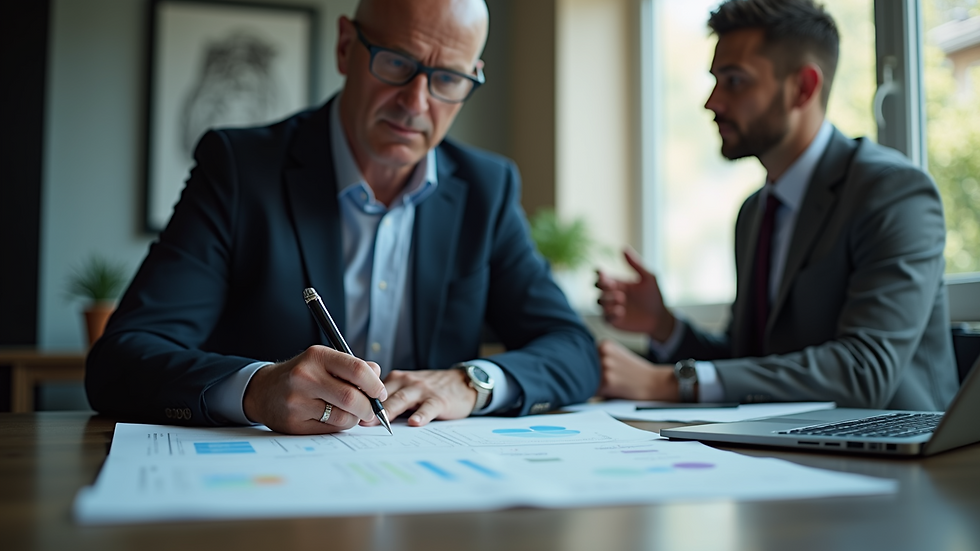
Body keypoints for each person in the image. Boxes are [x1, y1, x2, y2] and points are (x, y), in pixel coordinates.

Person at [86, 0, 599, 434]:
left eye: (447, 78)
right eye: (397, 63)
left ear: (473, 78)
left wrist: (469, 382)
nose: (416, 103)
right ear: (345, 46)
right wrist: (257, 389)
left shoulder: (486, 188)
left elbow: (574, 349)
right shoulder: (240, 170)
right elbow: (120, 360)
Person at [595, 0, 958, 410]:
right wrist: (664, 327)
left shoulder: (893, 192)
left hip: (901, 457)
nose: (712, 102)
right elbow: (750, 365)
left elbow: (865, 369)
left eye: (734, 81)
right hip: (788, 448)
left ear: (803, 87)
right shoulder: (755, 213)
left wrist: (671, 383)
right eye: (715, 80)